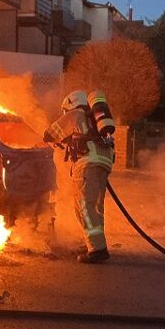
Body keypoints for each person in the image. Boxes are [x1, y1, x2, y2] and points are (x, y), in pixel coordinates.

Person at [43, 90, 115, 264]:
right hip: (103, 164)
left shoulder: (75, 114)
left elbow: (50, 134)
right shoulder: (93, 119)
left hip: (87, 165)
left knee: (84, 207)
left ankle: (97, 250)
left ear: (70, 104)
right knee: (95, 207)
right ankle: (93, 244)